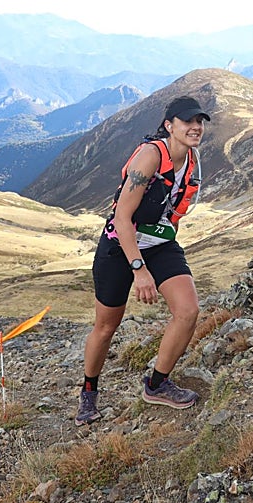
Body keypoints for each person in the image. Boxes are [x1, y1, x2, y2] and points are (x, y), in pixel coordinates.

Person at [75, 95, 211, 424]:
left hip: (159, 243)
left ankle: (157, 384)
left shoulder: (193, 160)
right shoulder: (151, 156)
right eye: (187, 122)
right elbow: (122, 218)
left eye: (199, 122)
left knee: (188, 310)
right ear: (169, 126)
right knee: (107, 326)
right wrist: (140, 270)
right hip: (119, 246)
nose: (195, 127)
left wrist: (156, 258)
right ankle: (89, 392)